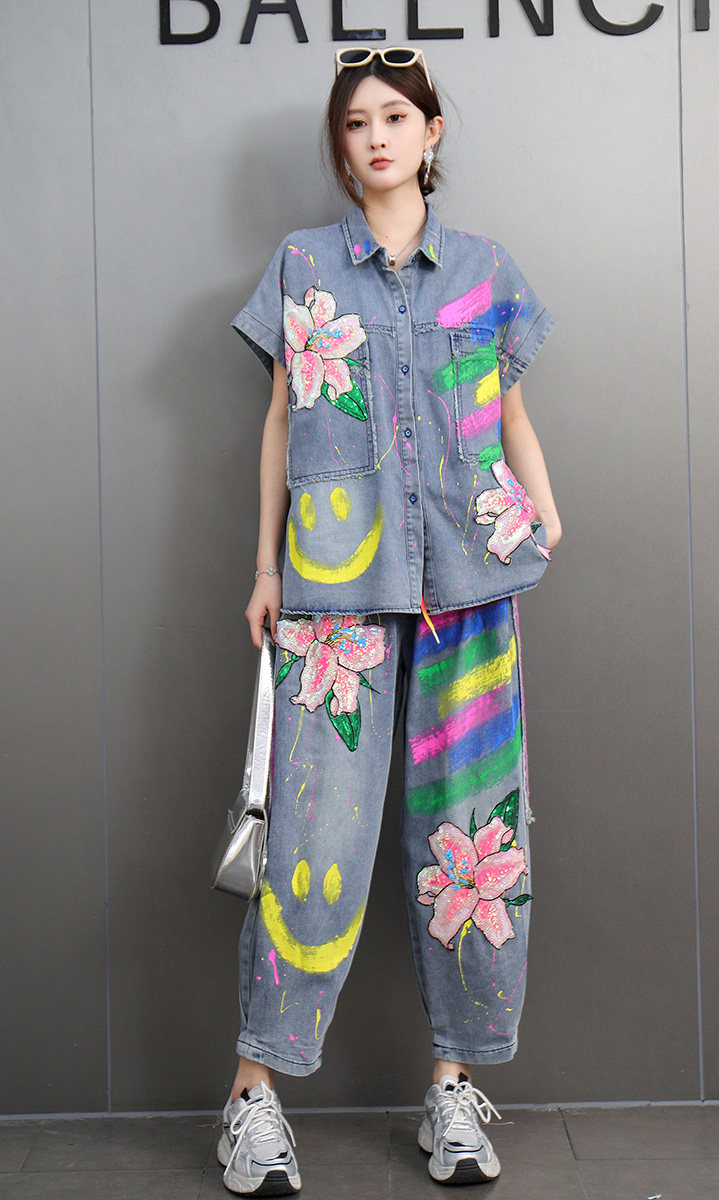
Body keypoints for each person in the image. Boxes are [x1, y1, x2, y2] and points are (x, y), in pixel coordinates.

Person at [217, 46, 562, 1195]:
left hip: (469, 584)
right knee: (311, 848)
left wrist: (545, 510)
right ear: (341, 144)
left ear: (430, 133)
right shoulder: (303, 264)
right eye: (356, 122)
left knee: (471, 845)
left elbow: (507, 409)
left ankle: (452, 1090)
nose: (375, 137)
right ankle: (252, 1101)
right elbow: (280, 421)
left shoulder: (483, 268)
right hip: (331, 600)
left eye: (394, 118)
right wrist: (263, 566)